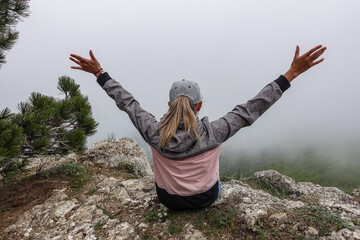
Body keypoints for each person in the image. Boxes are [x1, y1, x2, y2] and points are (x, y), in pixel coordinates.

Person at [69, 45, 326, 210]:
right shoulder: (214, 132)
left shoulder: (153, 132)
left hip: (168, 200)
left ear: (168, 104)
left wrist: (100, 73)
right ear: (200, 105)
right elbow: (252, 108)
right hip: (205, 199)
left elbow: (127, 103)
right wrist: (290, 74)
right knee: (217, 181)